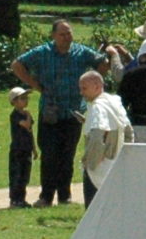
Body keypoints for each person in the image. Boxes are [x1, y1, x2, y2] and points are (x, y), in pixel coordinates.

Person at [13, 19, 103, 208]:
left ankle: (65, 196)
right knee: (49, 155)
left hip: (74, 113)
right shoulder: (42, 52)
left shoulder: (81, 52)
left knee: (67, 155)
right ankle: (46, 196)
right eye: (62, 34)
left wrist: (93, 85)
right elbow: (17, 65)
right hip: (50, 113)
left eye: (69, 33)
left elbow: (102, 62)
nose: (66, 37)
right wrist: (34, 84)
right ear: (53, 35)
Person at [79, 69, 131, 204]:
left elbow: (97, 137)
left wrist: (90, 164)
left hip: (100, 167)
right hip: (116, 163)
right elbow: (128, 132)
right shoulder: (114, 102)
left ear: (97, 86)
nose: (81, 93)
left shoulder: (98, 107)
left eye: (84, 88)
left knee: (93, 207)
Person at [6, 87, 35, 208]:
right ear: (14, 102)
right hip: (18, 149)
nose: (26, 100)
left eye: (26, 98)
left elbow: (30, 131)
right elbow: (26, 125)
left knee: (25, 175)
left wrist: (34, 148)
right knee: (16, 175)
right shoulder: (15, 115)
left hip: (27, 148)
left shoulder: (25, 114)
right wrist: (28, 115)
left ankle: (22, 199)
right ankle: (14, 199)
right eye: (22, 98)